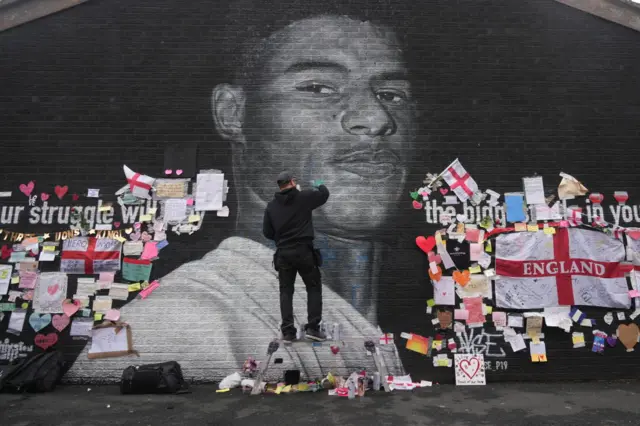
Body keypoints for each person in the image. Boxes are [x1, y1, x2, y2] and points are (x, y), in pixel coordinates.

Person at [66, 9, 416, 383]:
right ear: (233, 113)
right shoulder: (180, 329)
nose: (376, 117)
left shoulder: (387, 317)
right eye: (318, 88)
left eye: (391, 94)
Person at [263, 171, 330, 342]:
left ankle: (288, 332)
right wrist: (318, 183)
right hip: (304, 251)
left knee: (286, 292)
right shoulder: (304, 197)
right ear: (292, 182)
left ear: (280, 185)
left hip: (284, 253)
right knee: (313, 288)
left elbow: (267, 232)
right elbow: (324, 194)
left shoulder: (271, 206)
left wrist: (282, 238)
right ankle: (313, 328)